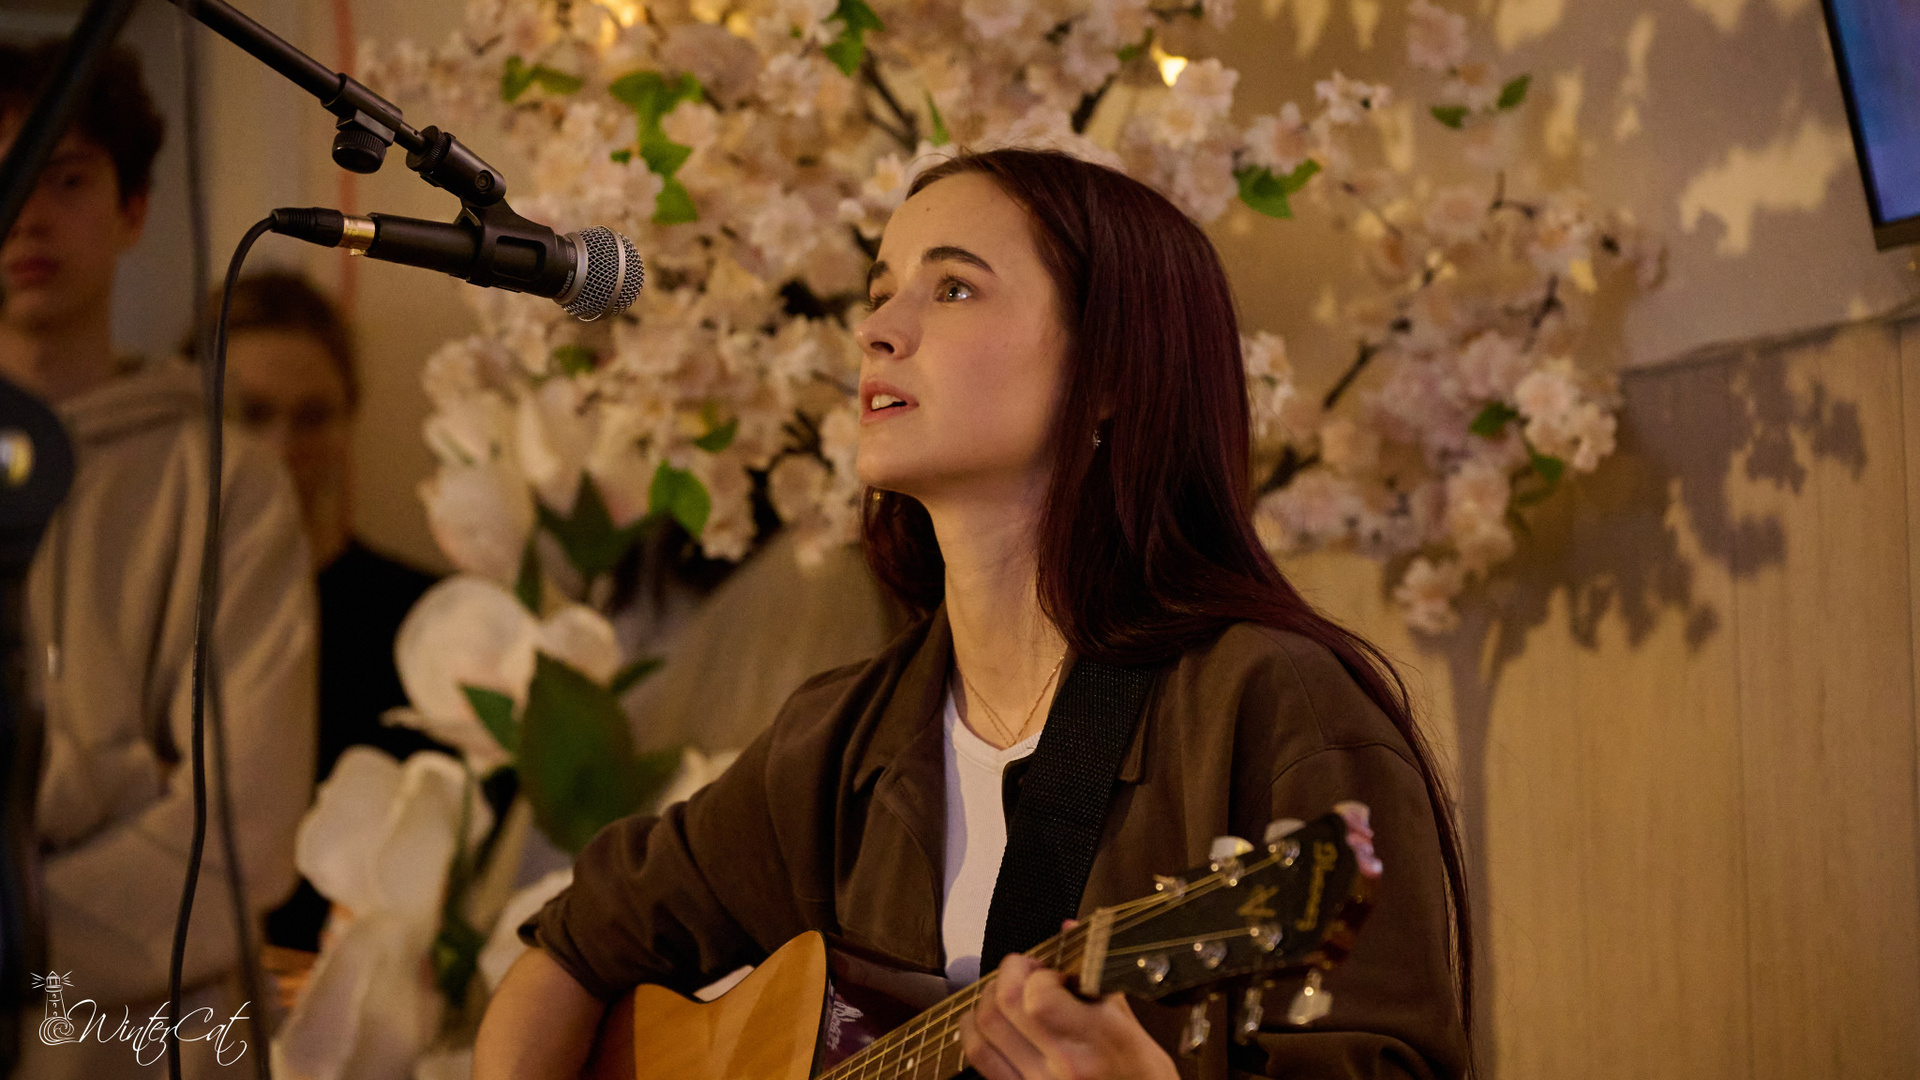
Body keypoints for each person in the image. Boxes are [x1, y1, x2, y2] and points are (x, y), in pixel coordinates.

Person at [473, 149, 1472, 1080]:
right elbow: (573, 948)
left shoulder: (1275, 707)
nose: (877, 330)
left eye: (952, 288)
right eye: (879, 293)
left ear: (1111, 374)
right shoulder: (840, 741)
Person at [0, 42, 316, 1080]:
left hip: (156, 1032)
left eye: (66, 177)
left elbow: (245, 828)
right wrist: (120, 783)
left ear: (132, 208)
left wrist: (21, 940)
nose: (28, 215)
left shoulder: (225, 479)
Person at [187, 272, 444, 954]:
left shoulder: (428, 627)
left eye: (313, 416)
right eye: (251, 414)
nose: (282, 447)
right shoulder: (153, 625)